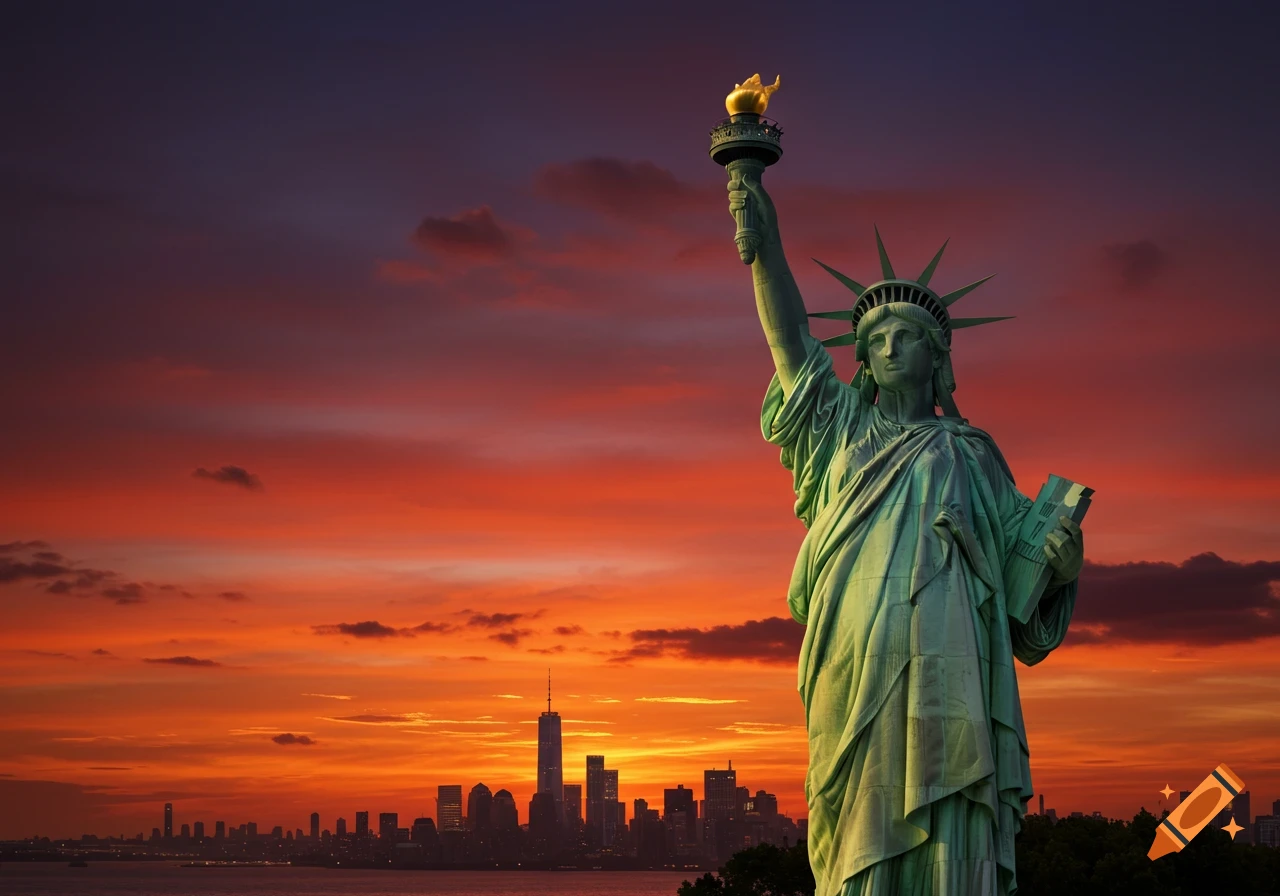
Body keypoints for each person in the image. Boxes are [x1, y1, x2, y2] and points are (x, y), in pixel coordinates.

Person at [728, 172, 1083, 896]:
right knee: (853, 814)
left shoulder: (973, 454)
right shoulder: (838, 434)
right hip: (852, 653)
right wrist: (764, 247)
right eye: (874, 341)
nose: (888, 350)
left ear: (938, 356)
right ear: (860, 359)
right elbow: (790, 342)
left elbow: (1024, 594)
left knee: (950, 815)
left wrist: (1063, 562)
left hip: (950, 659)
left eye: (905, 337)